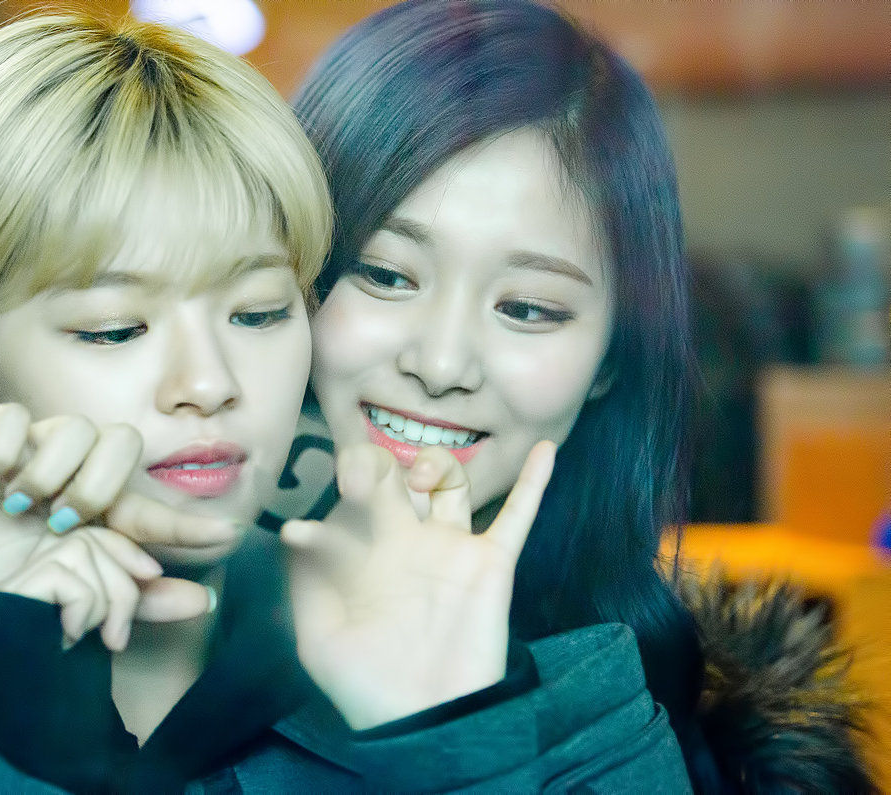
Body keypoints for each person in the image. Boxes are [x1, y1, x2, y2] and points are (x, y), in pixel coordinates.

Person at [0, 10, 562, 794]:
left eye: (259, 312)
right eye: (115, 329)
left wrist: (452, 744)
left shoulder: (428, 628)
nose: (208, 382)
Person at [281, 0, 874, 790]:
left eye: (528, 308)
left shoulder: (659, 745)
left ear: (609, 359)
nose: (442, 362)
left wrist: (453, 737)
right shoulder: (149, 640)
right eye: (386, 274)